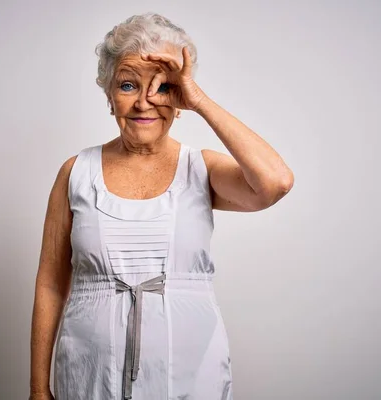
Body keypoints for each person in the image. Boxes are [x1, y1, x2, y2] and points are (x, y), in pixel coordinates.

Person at [29, 12, 294, 400]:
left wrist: (199, 99)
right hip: (88, 376)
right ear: (108, 95)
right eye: (127, 84)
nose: (144, 102)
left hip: (190, 376)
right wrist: (38, 390)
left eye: (163, 87)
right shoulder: (75, 173)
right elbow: (51, 285)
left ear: (180, 97)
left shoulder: (200, 168)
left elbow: (275, 182)